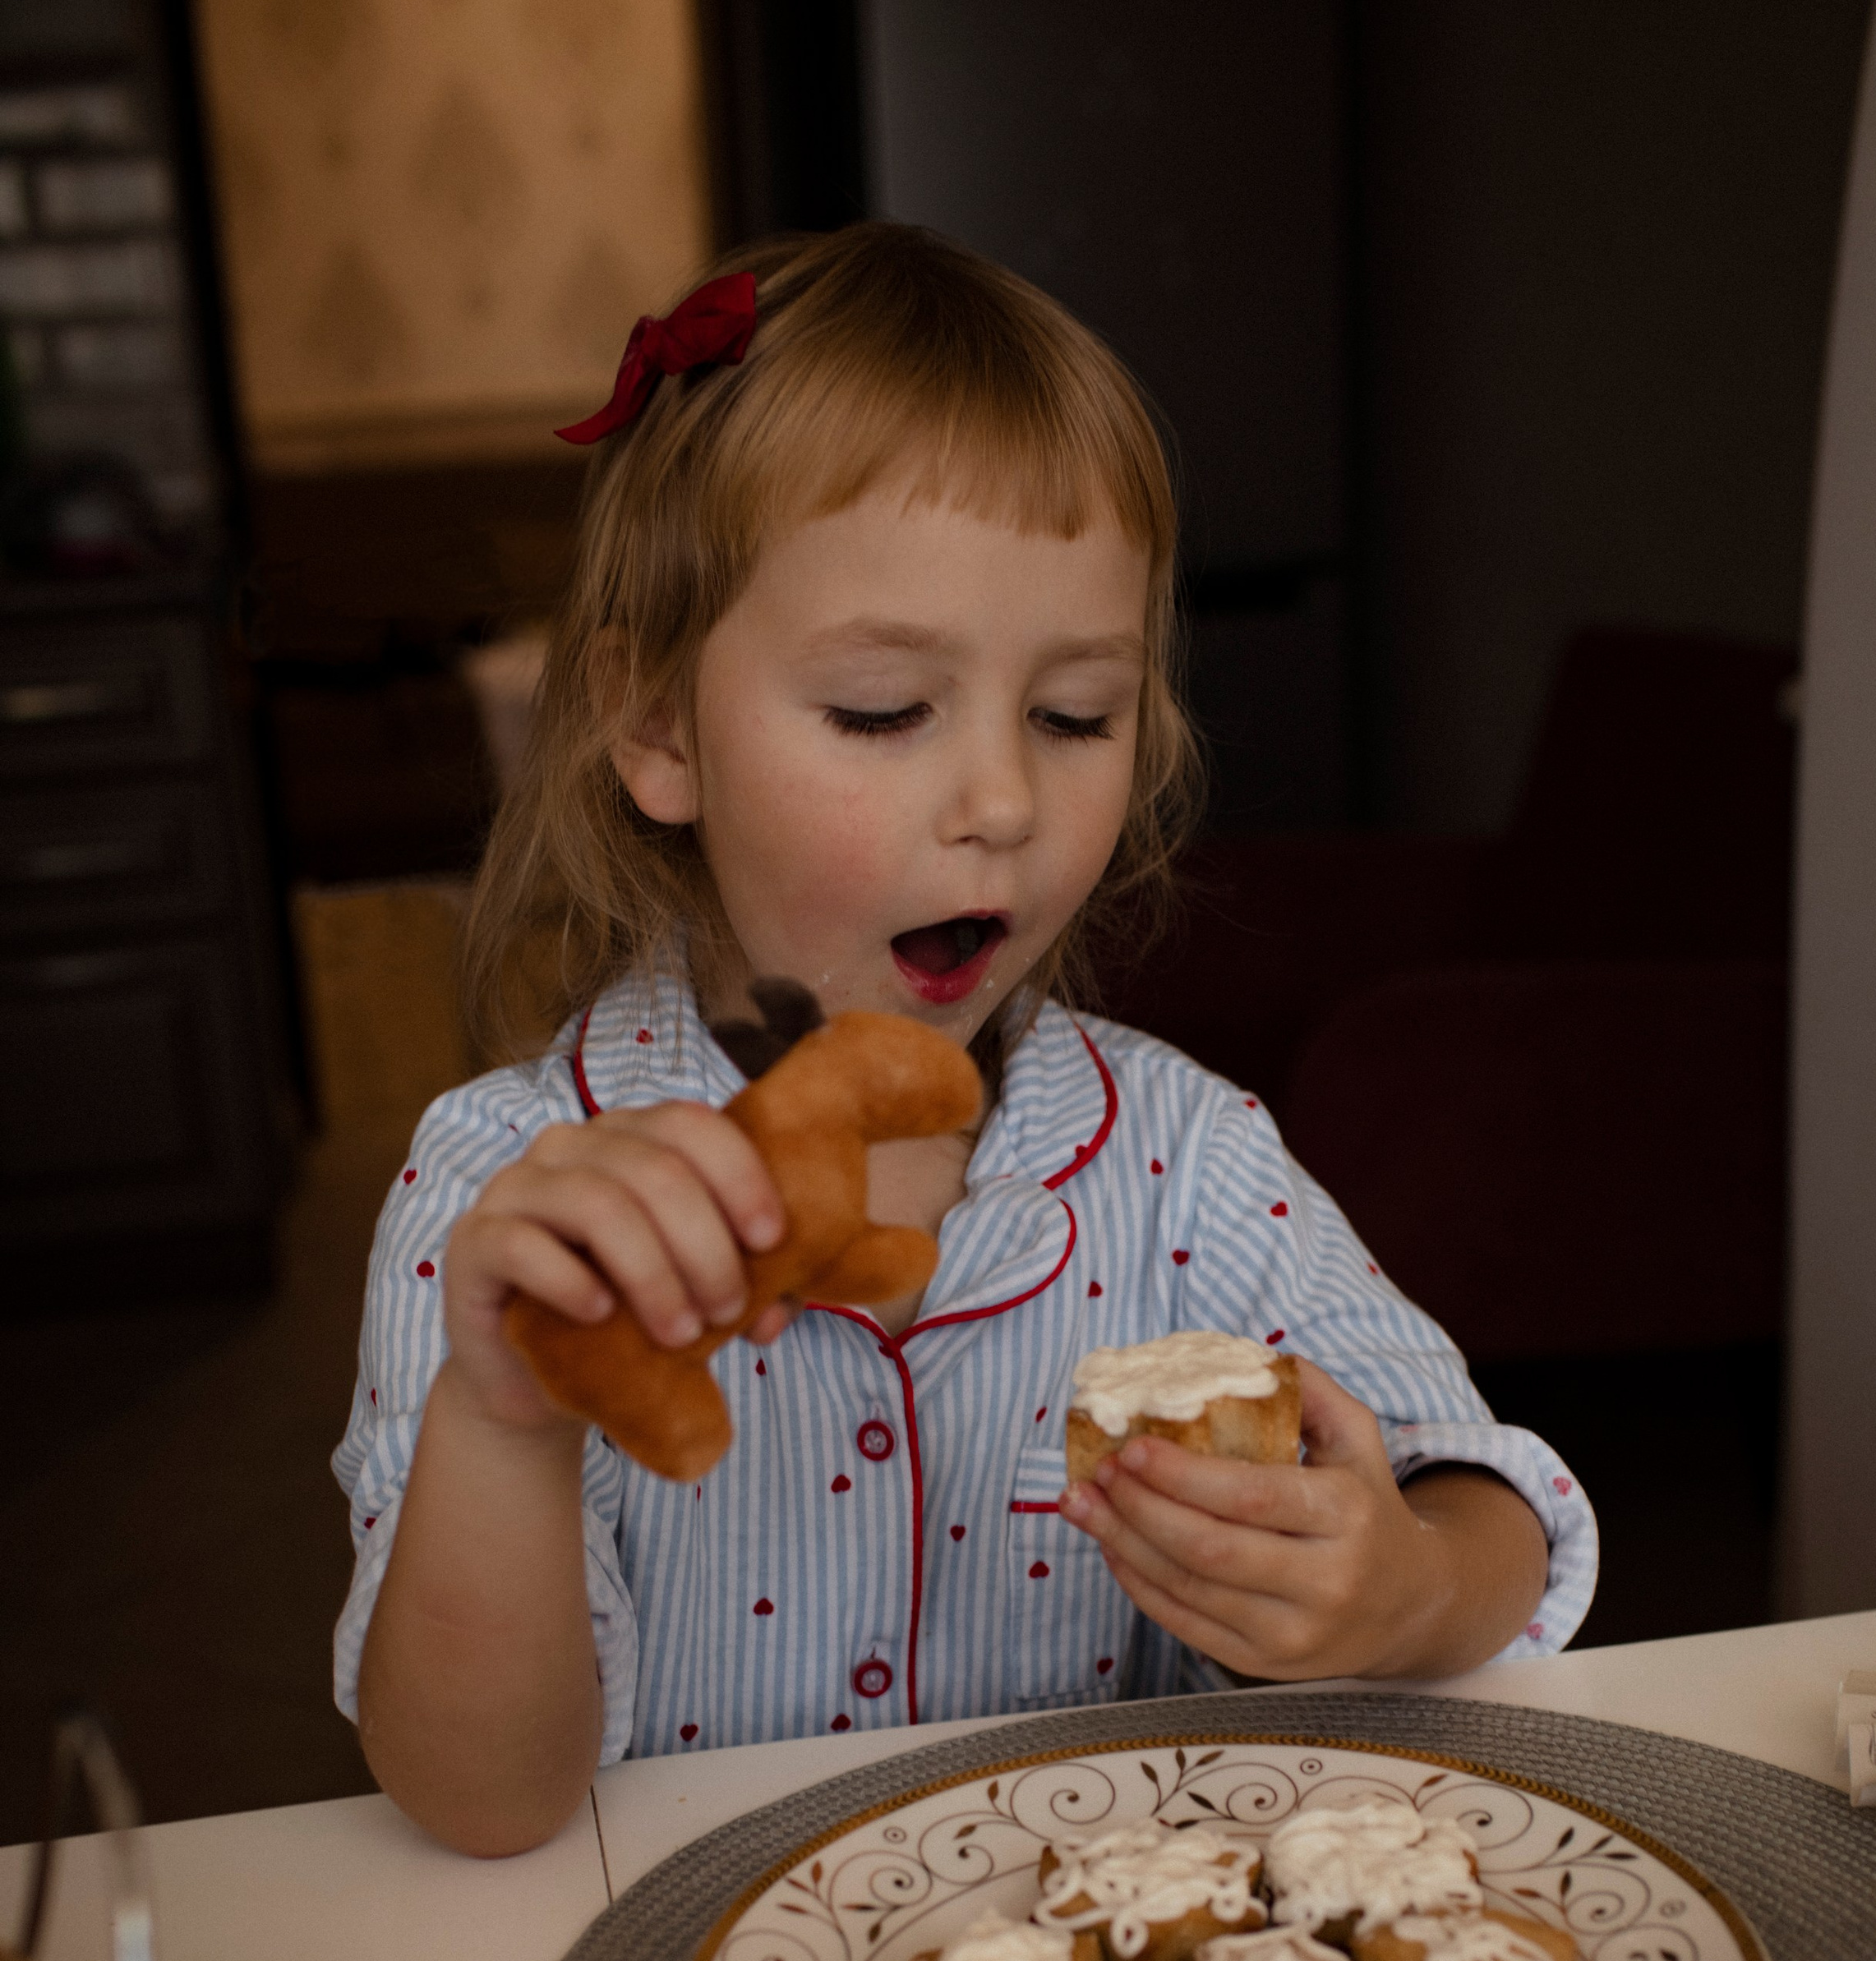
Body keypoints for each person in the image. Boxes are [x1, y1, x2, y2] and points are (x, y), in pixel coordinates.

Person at [334, 225, 1596, 1857]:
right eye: (880, 709)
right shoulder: (499, 1197)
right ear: (655, 725)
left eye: (1074, 715)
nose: (1003, 803)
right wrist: (506, 1416)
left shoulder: (1181, 1162)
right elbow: (476, 1801)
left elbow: (1476, 1498)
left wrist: (1403, 1587)